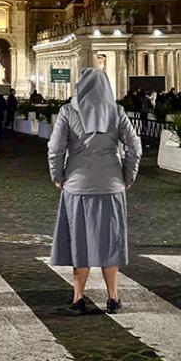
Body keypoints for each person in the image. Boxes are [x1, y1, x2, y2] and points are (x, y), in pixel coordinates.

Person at [48, 68, 142, 315]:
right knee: (110, 241)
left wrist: (58, 177)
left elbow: (55, 149)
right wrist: (127, 177)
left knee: (80, 242)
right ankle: (113, 297)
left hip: (77, 187)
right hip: (111, 186)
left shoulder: (68, 111)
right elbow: (135, 147)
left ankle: (78, 297)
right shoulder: (116, 112)